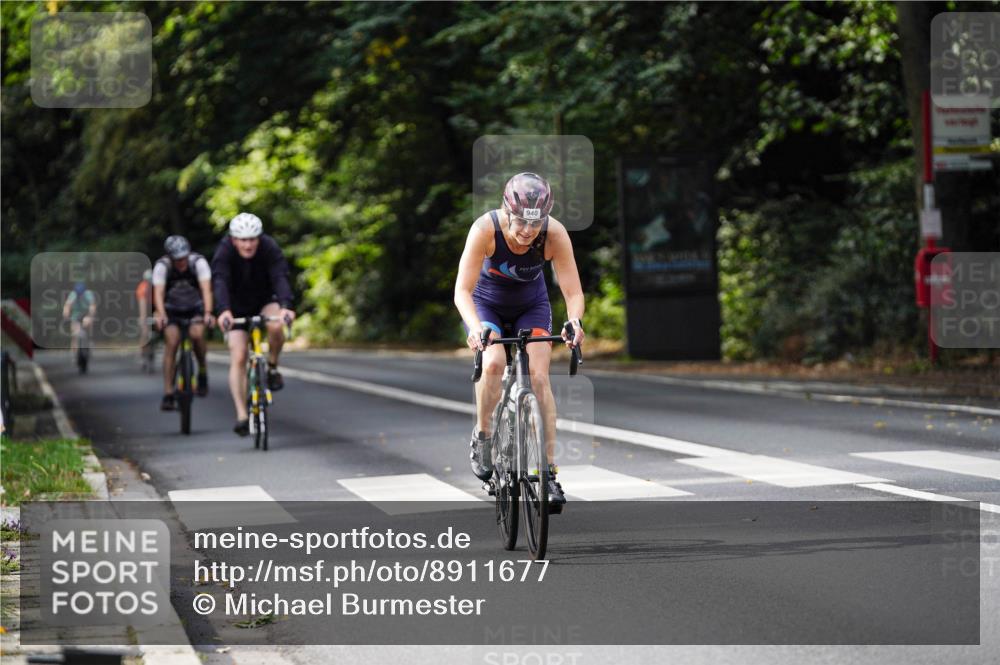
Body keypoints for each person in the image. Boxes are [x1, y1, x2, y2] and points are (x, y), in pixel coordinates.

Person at [454, 172, 585, 511]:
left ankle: (548, 472)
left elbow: (572, 291)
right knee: (494, 363)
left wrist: (574, 322)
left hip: (532, 305)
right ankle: (483, 435)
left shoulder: (554, 234)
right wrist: (473, 327)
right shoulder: (485, 229)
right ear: (506, 211)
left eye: (536, 224)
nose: (528, 232)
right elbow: (462, 291)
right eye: (521, 223)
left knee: (540, 378)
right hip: (488, 305)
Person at [212, 213, 296, 437]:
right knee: (238, 355)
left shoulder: (269, 247)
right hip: (235, 306)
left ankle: (272, 367)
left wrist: (286, 305)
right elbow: (219, 280)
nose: (248, 244)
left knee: (277, 326)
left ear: (259, 238)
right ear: (233, 239)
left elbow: (280, 276)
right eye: (243, 239)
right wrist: (223, 311)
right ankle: (241, 414)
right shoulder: (224, 251)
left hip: (264, 299)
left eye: (252, 239)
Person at [153, 236, 214, 410]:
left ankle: (202, 369)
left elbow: (206, 289)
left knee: (197, 334)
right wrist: (161, 314)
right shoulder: (162, 266)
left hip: (195, 307)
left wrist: (208, 313)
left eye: (184, 258)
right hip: (171, 308)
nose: (182, 262)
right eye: (177, 259)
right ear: (170, 257)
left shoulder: (198, 263)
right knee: (172, 342)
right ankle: (168, 392)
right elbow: (158, 292)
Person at [62, 281, 97, 360]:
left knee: (89, 326)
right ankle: (74, 354)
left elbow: (92, 306)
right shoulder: (73, 294)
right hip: (75, 316)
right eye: (78, 293)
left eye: (81, 293)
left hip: (86, 314)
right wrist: (66, 313)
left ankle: (89, 343)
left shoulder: (88, 294)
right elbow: (67, 305)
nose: (80, 295)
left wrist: (90, 316)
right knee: (74, 334)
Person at [135, 268, 153, 363]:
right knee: (144, 333)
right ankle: (142, 353)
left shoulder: (157, 287)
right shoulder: (142, 287)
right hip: (145, 311)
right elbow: (142, 304)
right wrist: (143, 318)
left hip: (154, 310)